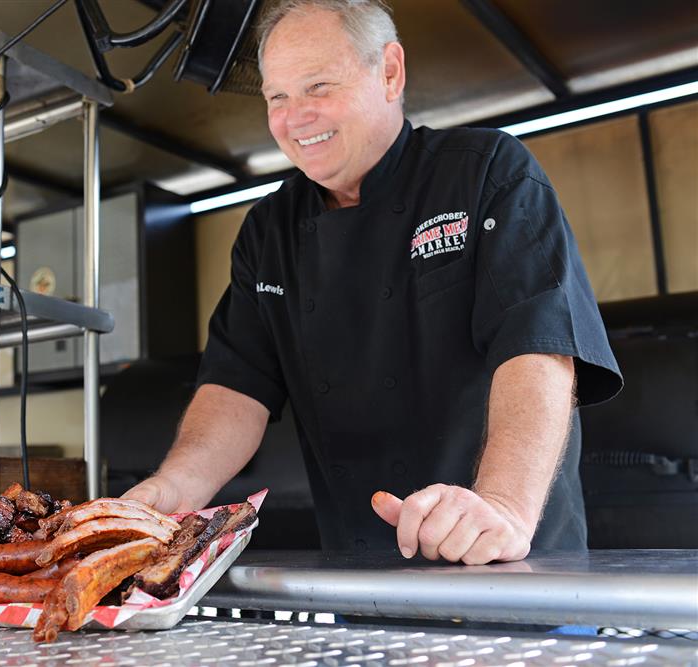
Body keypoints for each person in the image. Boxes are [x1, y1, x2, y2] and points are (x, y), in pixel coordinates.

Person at [124, 0, 622, 565]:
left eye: (317, 86)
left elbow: (538, 347)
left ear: (389, 72)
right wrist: (175, 488)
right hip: (362, 572)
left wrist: (504, 505)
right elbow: (236, 385)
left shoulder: (488, 171)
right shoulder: (269, 231)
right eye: (276, 98)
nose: (295, 117)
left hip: (510, 561)